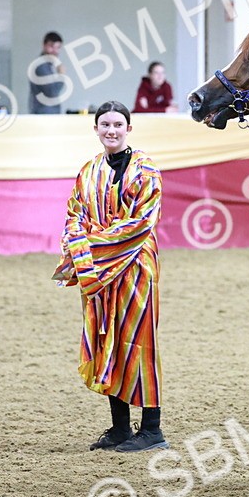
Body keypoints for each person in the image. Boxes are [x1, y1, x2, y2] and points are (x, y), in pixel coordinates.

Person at [55, 101, 168, 453]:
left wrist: (90, 246)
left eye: (118, 124)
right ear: (96, 129)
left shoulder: (146, 171)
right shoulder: (88, 171)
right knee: (108, 340)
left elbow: (141, 224)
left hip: (135, 268)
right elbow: (73, 214)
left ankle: (152, 429)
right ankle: (120, 428)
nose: (111, 130)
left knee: (139, 340)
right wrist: (80, 243)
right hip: (99, 274)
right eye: (105, 124)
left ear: (129, 129)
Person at [29, 31, 66, 114]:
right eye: (52, 46)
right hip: (44, 116)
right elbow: (52, 92)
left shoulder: (48, 65)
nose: (55, 51)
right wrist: (61, 75)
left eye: (58, 47)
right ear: (44, 45)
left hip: (46, 115)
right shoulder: (41, 66)